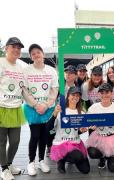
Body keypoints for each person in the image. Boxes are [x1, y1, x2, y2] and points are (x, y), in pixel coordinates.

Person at [23, 44, 59, 176]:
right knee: (35, 135)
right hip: (32, 109)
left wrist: (46, 104)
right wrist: (36, 105)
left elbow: (54, 89)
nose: (36, 55)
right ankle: (31, 162)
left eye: (38, 52)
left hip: (47, 108)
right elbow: (25, 90)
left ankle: (42, 160)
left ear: (43, 54)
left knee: (44, 135)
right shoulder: (26, 71)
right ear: (31, 57)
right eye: (33, 54)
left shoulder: (51, 71)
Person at [86, 83, 114, 172]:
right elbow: (88, 122)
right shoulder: (94, 107)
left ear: (112, 93)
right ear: (99, 94)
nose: (104, 95)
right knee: (92, 153)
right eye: (102, 93)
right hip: (100, 137)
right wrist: (91, 126)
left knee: (113, 168)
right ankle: (102, 157)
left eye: (107, 92)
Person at [0, 37, 26, 180]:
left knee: (15, 141)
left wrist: (36, 104)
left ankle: (9, 164)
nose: (16, 50)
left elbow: (23, 89)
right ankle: (3, 169)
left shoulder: (21, 67)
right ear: (6, 48)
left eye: (19, 47)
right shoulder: (0, 63)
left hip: (16, 108)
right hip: (1, 107)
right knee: (1, 141)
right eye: (13, 46)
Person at [49, 86, 90, 174]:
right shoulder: (61, 111)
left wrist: (82, 130)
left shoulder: (81, 113)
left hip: (75, 143)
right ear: (68, 96)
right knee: (78, 156)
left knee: (86, 170)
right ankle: (61, 160)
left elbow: (77, 131)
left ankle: (70, 157)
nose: (75, 97)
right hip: (61, 143)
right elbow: (48, 128)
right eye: (73, 95)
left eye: (78, 95)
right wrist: (55, 114)